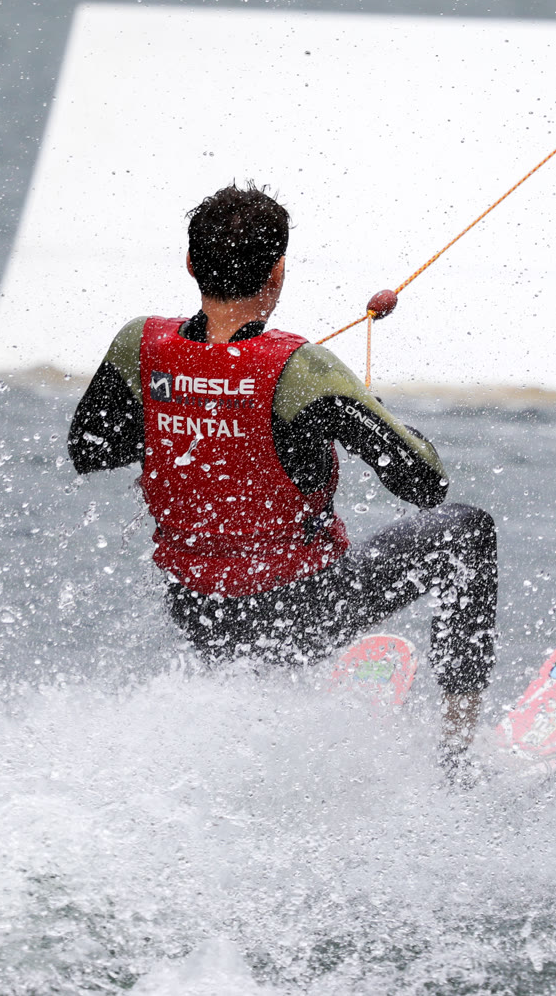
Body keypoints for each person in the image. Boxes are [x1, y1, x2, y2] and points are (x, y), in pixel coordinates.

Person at [67, 183, 498, 770]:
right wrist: (354, 406)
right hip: (297, 612)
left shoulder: (139, 343)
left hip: (195, 611)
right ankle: (457, 755)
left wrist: (195, 411)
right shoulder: (300, 368)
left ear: (190, 263)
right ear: (277, 272)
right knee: (466, 530)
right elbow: (425, 483)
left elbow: (90, 450)